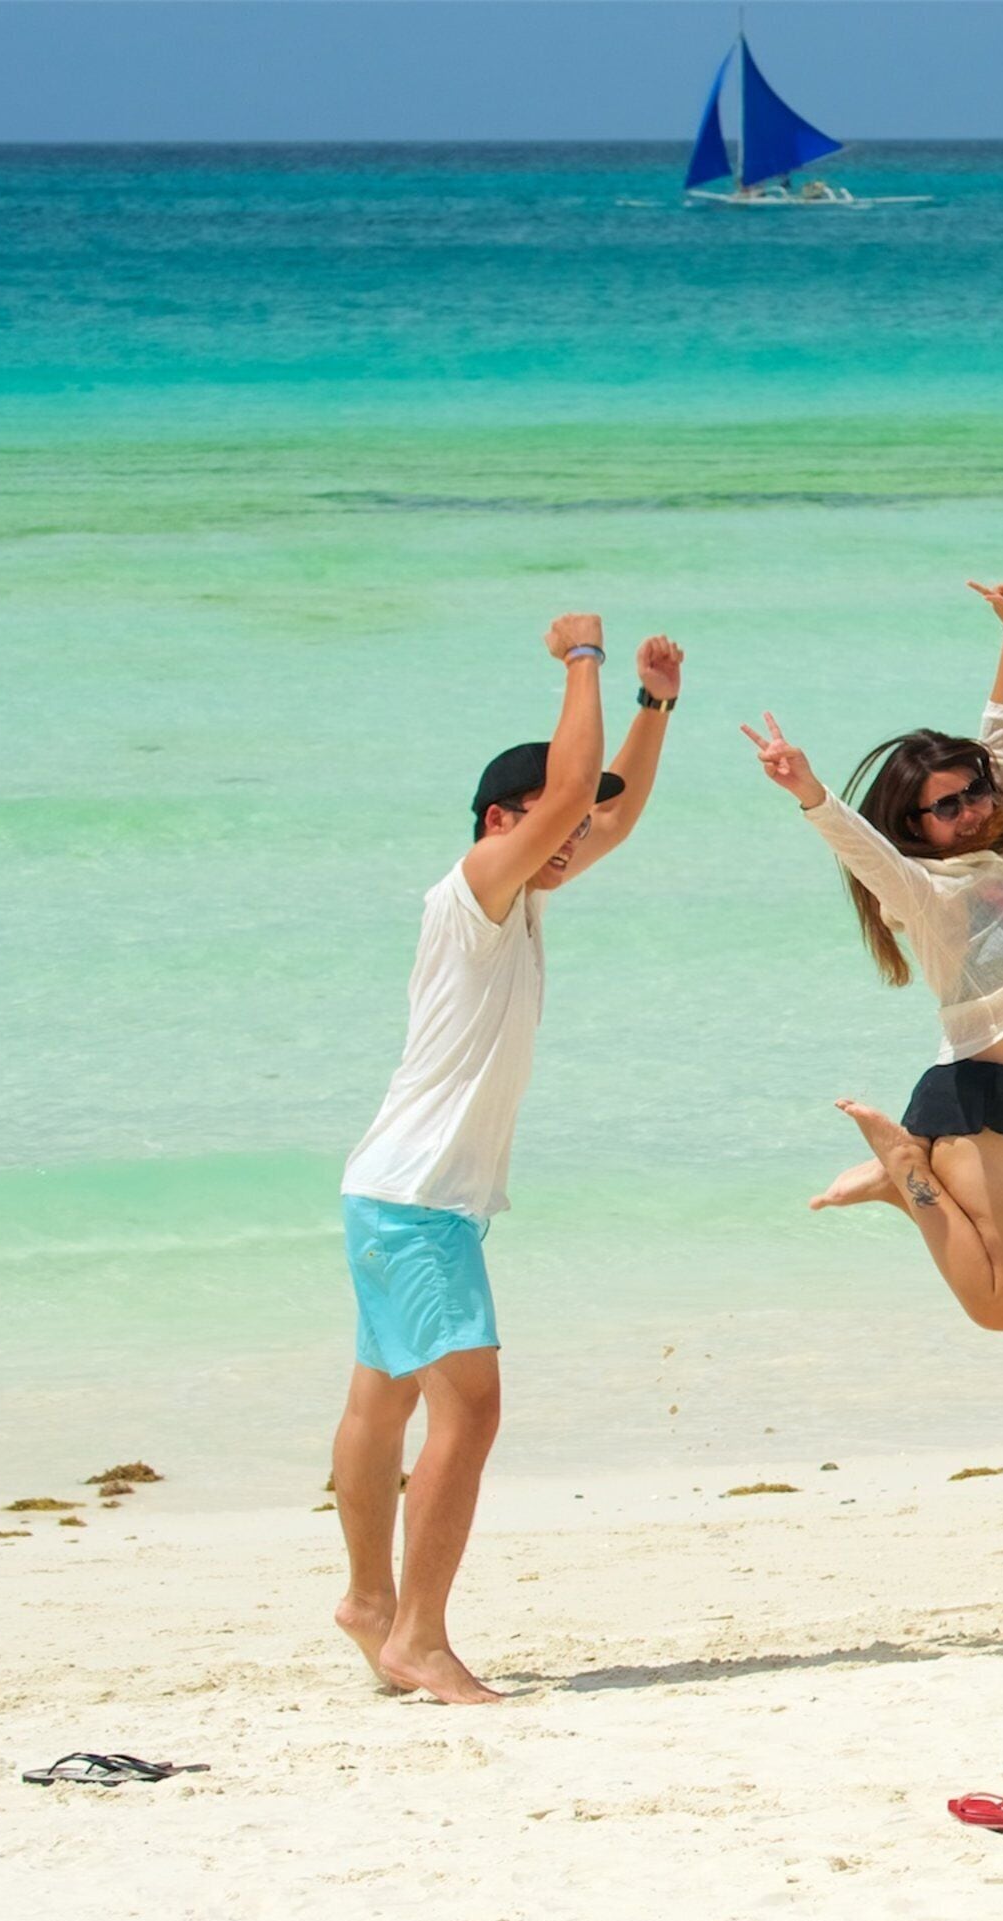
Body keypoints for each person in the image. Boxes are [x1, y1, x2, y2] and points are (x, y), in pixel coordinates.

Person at [335, 615, 679, 1704]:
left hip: (393, 1191)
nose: (575, 843)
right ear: (502, 821)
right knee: (469, 1412)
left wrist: (653, 709)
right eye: (554, 826)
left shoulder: (513, 898)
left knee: (382, 1401)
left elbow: (603, 812)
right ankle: (420, 1638)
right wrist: (581, 661)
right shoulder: (479, 886)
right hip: (421, 1202)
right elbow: (577, 796)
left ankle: (369, 1602)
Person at [742, 581, 1003, 1331]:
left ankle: (900, 1182)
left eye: (975, 792)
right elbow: (866, 855)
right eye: (948, 806)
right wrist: (808, 791)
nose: (971, 807)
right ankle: (906, 1172)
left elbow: (1001, 737)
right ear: (918, 826)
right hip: (975, 1101)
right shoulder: (927, 895)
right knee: (1000, 1310)